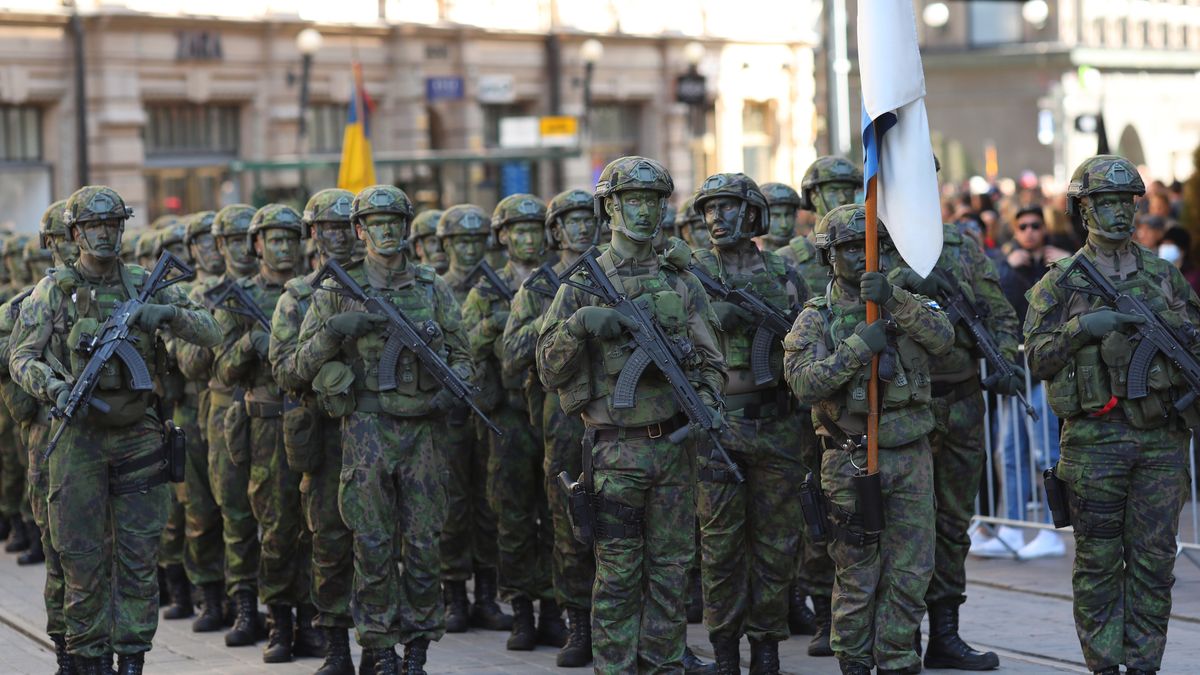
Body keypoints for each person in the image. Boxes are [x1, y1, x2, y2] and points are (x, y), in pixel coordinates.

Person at [10, 185, 221, 674]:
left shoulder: (146, 282)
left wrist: (164, 313)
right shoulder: (54, 291)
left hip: (138, 437)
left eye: (112, 224)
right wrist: (56, 388)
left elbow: (209, 331)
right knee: (81, 560)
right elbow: (21, 357)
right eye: (93, 227)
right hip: (78, 439)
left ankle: (132, 658)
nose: (104, 234)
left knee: (138, 559)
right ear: (76, 233)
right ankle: (87, 659)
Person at [537, 156, 726, 672]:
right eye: (633, 201)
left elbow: (712, 360)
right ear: (612, 207)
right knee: (618, 572)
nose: (644, 212)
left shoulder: (680, 280)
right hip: (616, 448)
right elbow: (547, 369)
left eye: (653, 201)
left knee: (671, 570)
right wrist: (579, 325)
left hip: (673, 446)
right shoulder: (585, 281)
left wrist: (709, 400)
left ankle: (664, 662)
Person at [1025, 155, 1198, 675]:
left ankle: (1144, 664)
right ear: (1084, 208)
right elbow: (1036, 358)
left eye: (1126, 202)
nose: (1120, 213)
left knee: (1153, 562)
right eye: (1106, 203)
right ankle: (1104, 665)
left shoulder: (1164, 277)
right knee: (1099, 564)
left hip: (1161, 442)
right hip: (1093, 441)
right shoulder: (1060, 283)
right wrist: (1084, 329)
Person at [293, 184, 470, 674]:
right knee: (370, 544)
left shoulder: (432, 289)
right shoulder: (337, 290)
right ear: (360, 230)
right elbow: (291, 370)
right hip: (367, 429)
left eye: (395, 223)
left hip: (424, 433)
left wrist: (449, 390)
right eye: (376, 224)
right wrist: (334, 330)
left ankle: (417, 650)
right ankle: (378, 648)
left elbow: (464, 359)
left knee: (423, 543)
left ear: (407, 228)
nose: (387, 232)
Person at [783, 203, 954, 675]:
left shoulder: (903, 302)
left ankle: (898, 659)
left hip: (911, 456)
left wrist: (895, 300)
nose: (860, 257)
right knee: (858, 573)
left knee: (912, 570)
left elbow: (944, 340)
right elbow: (802, 384)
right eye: (848, 249)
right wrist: (859, 346)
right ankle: (855, 662)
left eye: (869, 247)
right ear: (828, 258)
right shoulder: (815, 318)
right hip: (852, 458)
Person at [888, 210, 1023, 670]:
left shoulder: (962, 247)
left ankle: (945, 634)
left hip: (962, 400)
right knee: (903, 525)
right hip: (903, 407)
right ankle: (899, 636)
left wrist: (1005, 359)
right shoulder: (870, 242)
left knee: (951, 525)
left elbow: (998, 313)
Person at [689, 173, 807, 674]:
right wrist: (711, 317)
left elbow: (806, 341)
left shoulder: (783, 274)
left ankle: (766, 646)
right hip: (718, 429)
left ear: (753, 214)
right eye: (710, 210)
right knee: (720, 549)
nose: (717, 218)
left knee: (777, 545)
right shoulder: (692, 274)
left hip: (777, 426)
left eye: (728, 208)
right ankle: (723, 651)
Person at [212, 203, 322, 663]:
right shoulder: (239, 297)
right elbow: (217, 366)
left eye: (290, 240)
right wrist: (248, 344)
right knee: (275, 527)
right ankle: (279, 621)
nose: (283, 248)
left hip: (311, 419)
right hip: (267, 425)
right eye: (274, 240)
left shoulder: (314, 292)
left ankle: (315, 619)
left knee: (316, 527)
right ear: (257, 245)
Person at [461, 194, 566, 651]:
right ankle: (521, 607)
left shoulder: (558, 283)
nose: (527, 238)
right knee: (514, 516)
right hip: (507, 418)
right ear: (503, 236)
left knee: (558, 514)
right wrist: (499, 327)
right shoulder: (485, 289)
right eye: (518, 230)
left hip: (553, 412)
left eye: (533, 229)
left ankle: (555, 608)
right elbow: (466, 349)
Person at [500, 188, 598, 667]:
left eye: (589, 219)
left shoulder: (618, 274)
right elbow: (512, 354)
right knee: (569, 524)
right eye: (571, 221)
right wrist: (559, 320)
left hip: (621, 419)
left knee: (634, 526)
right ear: (555, 230)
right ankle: (577, 623)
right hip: (561, 420)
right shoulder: (540, 286)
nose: (582, 228)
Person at [269, 188, 359, 674]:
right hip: (323, 437)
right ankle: (335, 645)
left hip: (377, 430)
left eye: (348, 226)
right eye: (329, 227)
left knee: (384, 543)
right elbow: (284, 370)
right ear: (315, 235)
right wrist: (330, 334)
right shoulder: (299, 295)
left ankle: (385, 648)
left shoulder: (383, 285)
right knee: (326, 542)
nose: (339, 235)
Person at [778, 155, 863, 657]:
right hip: (806, 409)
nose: (838, 196)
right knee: (817, 514)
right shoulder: (790, 259)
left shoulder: (877, 256)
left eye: (847, 187)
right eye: (828, 190)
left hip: (866, 414)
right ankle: (820, 612)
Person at [175, 203, 265, 648]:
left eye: (237, 239)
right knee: (214, 510)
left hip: (270, 407)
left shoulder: (274, 288)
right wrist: (219, 324)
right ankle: (219, 597)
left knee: (269, 511)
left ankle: (259, 600)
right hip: (214, 407)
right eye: (218, 241)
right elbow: (189, 362)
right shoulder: (199, 295)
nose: (226, 250)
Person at [434, 204, 511, 633]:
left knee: (489, 503)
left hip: (493, 406)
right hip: (448, 413)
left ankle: (486, 593)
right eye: (459, 241)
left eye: (474, 241)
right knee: (451, 505)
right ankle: (453, 595)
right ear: (446, 245)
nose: (467, 249)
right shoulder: (434, 288)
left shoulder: (496, 287)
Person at [976, 204, 1068, 560]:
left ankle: (1051, 529)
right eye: (1023, 225)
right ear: (1015, 231)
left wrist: (1067, 260)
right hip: (1017, 371)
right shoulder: (1007, 265)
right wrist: (1007, 266)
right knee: (1009, 452)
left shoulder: (1060, 260)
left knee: (1046, 452)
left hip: (1043, 372)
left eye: (1036, 224)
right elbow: (996, 303)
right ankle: (1012, 528)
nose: (1031, 231)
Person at [172, 210, 229, 633]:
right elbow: (187, 362)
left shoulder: (241, 289)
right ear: (193, 249)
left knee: (240, 512)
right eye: (204, 242)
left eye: (219, 240)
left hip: (232, 410)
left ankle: (244, 597)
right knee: (200, 511)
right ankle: (208, 596)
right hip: (192, 411)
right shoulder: (184, 297)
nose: (214, 249)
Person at [410, 209, 448, 275]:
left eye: (443, 241)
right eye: (432, 242)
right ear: (418, 248)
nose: (439, 248)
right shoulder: (408, 282)